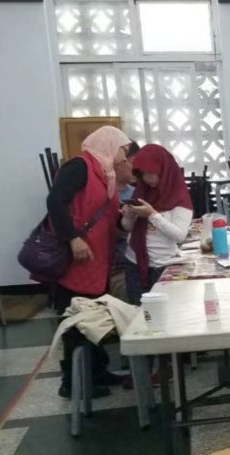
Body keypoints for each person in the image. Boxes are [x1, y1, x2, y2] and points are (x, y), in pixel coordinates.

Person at [45, 126, 135, 398]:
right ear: (108, 145)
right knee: (77, 320)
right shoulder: (80, 167)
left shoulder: (106, 174)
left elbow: (109, 215)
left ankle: (97, 372)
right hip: (77, 258)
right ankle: (72, 382)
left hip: (97, 260)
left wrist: (127, 218)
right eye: (123, 149)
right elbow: (55, 201)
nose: (124, 157)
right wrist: (73, 238)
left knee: (94, 318)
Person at [121, 144, 193, 305]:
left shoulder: (179, 197)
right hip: (134, 262)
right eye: (142, 174)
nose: (147, 178)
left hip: (162, 265)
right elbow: (129, 228)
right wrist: (129, 216)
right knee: (137, 312)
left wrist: (152, 215)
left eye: (151, 173)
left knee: (164, 312)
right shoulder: (142, 192)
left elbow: (179, 236)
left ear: (164, 169)